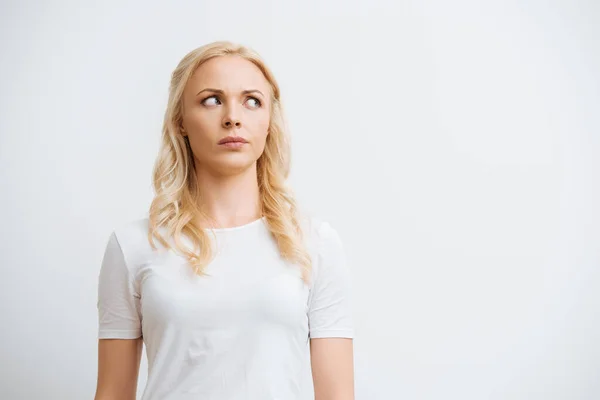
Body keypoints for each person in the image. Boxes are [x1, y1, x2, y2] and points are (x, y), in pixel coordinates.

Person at [94, 41, 355, 400]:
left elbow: (338, 395)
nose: (233, 116)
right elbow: (112, 392)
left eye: (252, 101)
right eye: (212, 99)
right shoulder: (134, 245)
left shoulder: (314, 243)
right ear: (180, 121)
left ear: (268, 123)